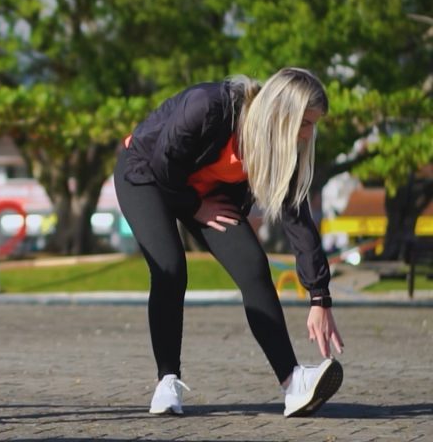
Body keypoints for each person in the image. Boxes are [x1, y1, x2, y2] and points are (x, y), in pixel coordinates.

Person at [114, 67, 345, 418]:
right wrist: (195, 206)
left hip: (205, 192)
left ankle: (294, 384)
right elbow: (164, 166)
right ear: (280, 113)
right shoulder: (209, 107)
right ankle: (167, 381)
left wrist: (319, 296)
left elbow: (298, 220)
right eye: (304, 123)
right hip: (146, 175)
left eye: (312, 124)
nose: (307, 134)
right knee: (171, 269)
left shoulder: (282, 149)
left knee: (253, 266)